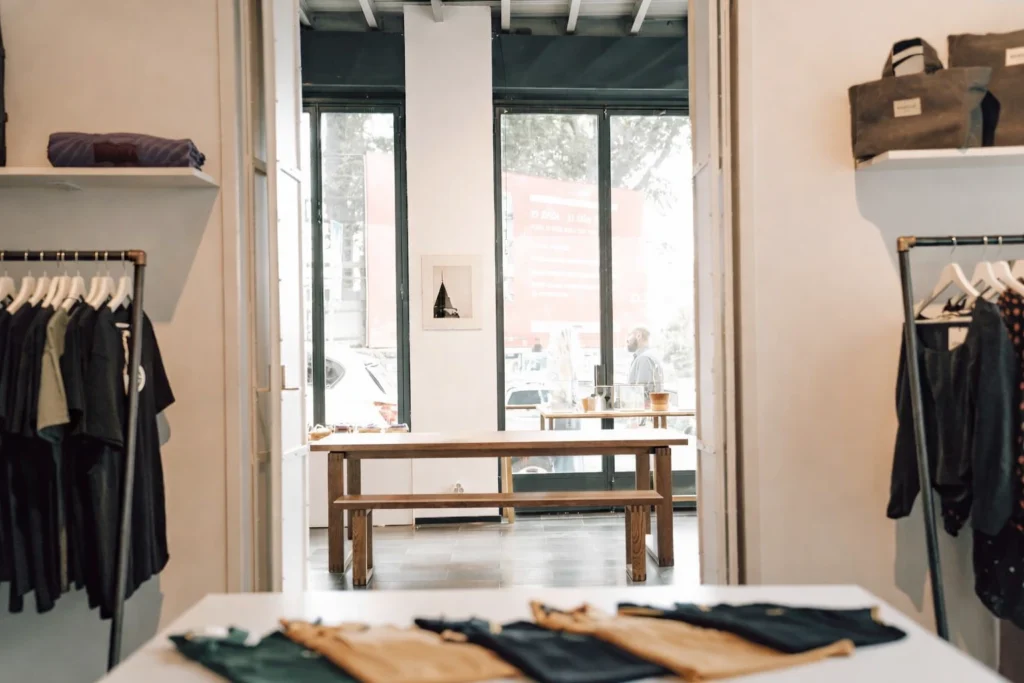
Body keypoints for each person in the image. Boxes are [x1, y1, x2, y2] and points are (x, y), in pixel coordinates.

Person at [627, 327, 664, 399]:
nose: (627, 340)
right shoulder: (647, 356)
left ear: (638, 335)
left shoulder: (644, 359)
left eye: (629, 335)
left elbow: (642, 395)